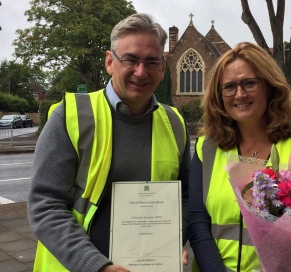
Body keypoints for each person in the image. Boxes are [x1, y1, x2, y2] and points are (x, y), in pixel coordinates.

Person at [28, 13, 190, 272]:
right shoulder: (70, 116)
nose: (140, 71)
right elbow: (45, 205)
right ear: (109, 62)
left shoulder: (175, 123)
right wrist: (97, 266)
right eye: (130, 59)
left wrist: (171, 243)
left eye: (151, 62)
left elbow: (185, 196)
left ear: (162, 68)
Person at [188, 42, 291, 272]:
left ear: (269, 87)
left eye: (250, 83)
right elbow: (198, 221)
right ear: (219, 97)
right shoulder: (207, 149)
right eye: (229, 87)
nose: (240, 94)